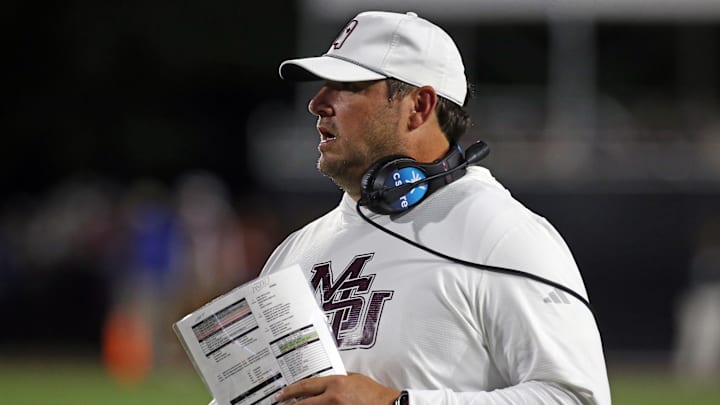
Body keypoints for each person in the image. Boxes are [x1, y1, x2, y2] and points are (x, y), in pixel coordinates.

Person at [214, 10, 611, 405]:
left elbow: (575, 398)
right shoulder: (294, 252)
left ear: (419, 105)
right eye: (322, 86)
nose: (317, 103)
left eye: (347, 86)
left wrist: (396, 404)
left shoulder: (502, 234)